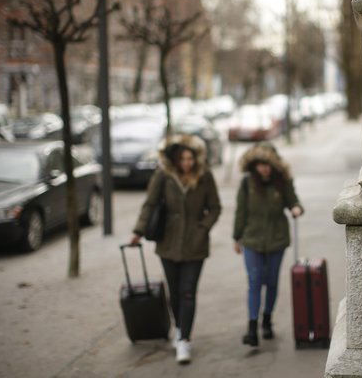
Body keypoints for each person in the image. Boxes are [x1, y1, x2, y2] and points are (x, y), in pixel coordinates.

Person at [130, 134, 221, 364]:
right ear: (175, 159)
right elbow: (150, 204)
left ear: (196, 158)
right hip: (168, 243)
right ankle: (180, 328)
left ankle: (184, 341)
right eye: (183, 159)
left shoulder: (205, 176)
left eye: (191, 158)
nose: (187, 163)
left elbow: (215, 207)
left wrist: (203, 228)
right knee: (174, 292)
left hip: (195, 244)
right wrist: (138, 231)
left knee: (188, 291)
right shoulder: (163, 176)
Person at [233, 142, 304, 347]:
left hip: (277, 239)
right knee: (255, 281)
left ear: (274, 165)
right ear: (254, 165)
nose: (263, 168)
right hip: (251, 239)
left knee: (271, 282)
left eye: (267, 164)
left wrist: (296, 208)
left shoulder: (283, 181)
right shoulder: (247, 183)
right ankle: (252, 328)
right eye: (259, 164)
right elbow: (240, 212)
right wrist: (237, 238)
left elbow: (294, 201)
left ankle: (267, 320)